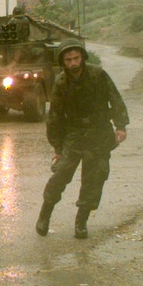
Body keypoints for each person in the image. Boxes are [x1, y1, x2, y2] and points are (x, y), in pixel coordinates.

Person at [35, 38, 129, 239]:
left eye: (76, 58)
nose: (73, 63)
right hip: (75, 134)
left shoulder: (98, 74)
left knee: (94, 178)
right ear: (63, 62)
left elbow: (115, 98)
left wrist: (121, 126)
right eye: (68, 60)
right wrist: (57, 148)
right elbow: (55, 117)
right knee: (60, 175)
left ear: (82, 58)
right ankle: (45, 215)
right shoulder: (61, 83)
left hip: (99, 132)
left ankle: (81, 222)